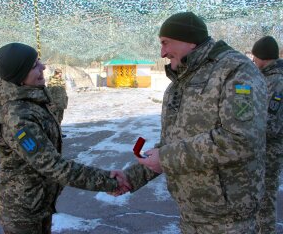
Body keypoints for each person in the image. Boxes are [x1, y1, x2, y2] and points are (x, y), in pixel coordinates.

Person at [112, 12, 268, 233]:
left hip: (228, 220)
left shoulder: (235, 71)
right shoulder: (183, 78)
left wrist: (165, 158)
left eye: (165, 43)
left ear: (188, 40)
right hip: (191, 215)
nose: (162, 52)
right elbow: (176, 142)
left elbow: (240, 139)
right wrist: (132, 177)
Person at [0, 42, 129, 234]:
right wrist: (108, 181)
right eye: (34, 65)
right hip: (22, 212)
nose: (43, 67)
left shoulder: (32, 104)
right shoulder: (18, 117)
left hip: (38, 203)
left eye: (39, 61)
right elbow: (53, 166)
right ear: (19, 76)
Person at [252, 35, 283, 233]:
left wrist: (246, 136)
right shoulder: (267, 78)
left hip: (270, 150)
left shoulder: (277, 82)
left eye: (255, 58)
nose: (253, 61)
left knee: (265, 200)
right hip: (263, 148)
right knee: (258, 197)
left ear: (264, 58)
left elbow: (271, 124)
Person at [47, 68, 68, 138]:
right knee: (55, 119)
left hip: (61, 103)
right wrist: (51, 103)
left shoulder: (62, 81)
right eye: (59, 73)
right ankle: (54, 134)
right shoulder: (51, 82)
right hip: (55, 104)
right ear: (55, 73)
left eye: (61, 73)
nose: (60, 74)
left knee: (60, 119)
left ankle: (59, 133)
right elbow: (49, 93)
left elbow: (64, 91)